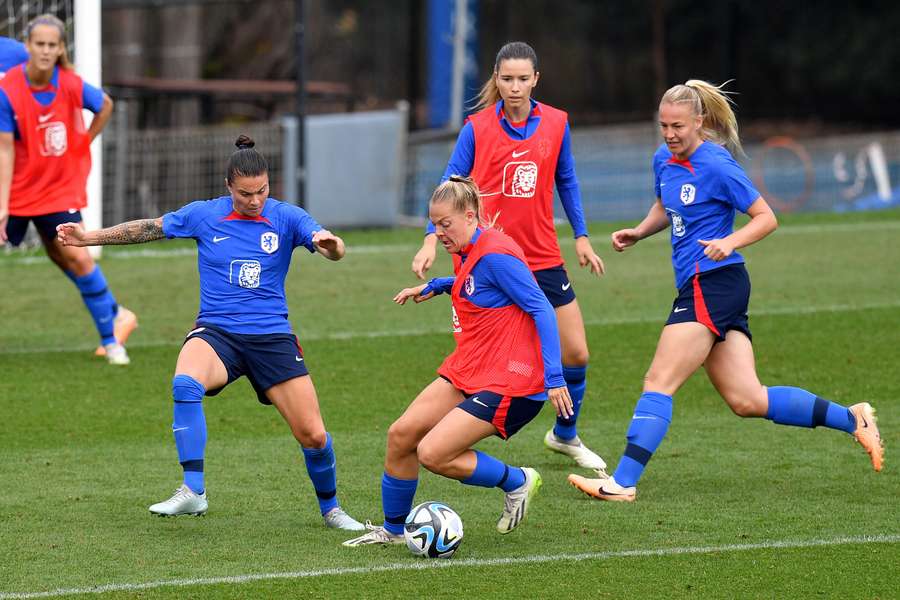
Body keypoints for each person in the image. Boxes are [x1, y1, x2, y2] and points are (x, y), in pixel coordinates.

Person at [568, 80, 884, 503]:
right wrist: (641, 232)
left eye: (678, 125)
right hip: (709, 286)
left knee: (658, 380)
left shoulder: (717, 164)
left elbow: (765, 217)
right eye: (663, 125)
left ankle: (621, 482)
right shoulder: (663, 159)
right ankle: (852, 418)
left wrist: (730, 241)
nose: (670, 134)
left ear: (699, 121)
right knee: (746, 398)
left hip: (714, 282)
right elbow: (666, 205)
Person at [57, 135, 364, 530]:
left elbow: (330, 248)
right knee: (185, 383)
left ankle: (332, 509)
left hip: (271, 338)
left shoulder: (287, 217)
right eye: (245, 193)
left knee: (314, 435)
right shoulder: (204, 215)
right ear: (228, 188)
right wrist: (87, 237)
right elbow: (148, 228)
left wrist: (332, 245)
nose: (255, 201)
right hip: (217, 332)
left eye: (262, 191)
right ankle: (193, 491)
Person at [343, 175, 572, 547]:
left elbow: (541, 308)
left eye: (445, 224)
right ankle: (393, 531)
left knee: (433, 452)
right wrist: (436, 285)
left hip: (512, 381)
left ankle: (518, 481)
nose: (439, 232)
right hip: (472, 367)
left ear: (470, 216)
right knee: (401, 435)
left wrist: (555, 377)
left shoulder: (497, 254)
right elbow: (474, 281)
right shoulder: (467, 247)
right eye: (434, 225)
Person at [411, 41, 607, 474]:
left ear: (536, 79)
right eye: (506, 78)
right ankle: (457, 429)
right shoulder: (476, 128)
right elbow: (447, 186)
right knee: (483, 358)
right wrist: (430, 239)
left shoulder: (556, 123)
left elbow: (567, 180)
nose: (514, 87)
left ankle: (565, 434)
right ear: (495, 80)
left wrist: (582, 236)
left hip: (541, 255)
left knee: (576, 353)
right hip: (488, 260)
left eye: (522, 79)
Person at [0, 15, 136, 365]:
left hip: (46, 179)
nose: (44, 50)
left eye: (50, 45)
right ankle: (115, 313)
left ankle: (113, 324)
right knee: (58, 252)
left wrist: (81, 144)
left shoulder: (15, 54)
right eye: (40, 44)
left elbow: (99, 102)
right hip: (13, 176)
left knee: (72, 251)